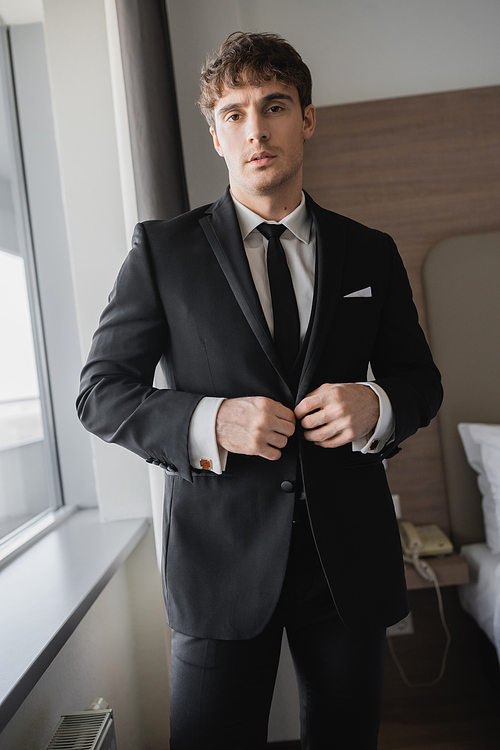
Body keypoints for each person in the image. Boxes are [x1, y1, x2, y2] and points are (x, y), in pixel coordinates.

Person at [77, 31, 442, 750]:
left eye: (274, 107)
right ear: (215, 134)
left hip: (349, 564)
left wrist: (378, 406)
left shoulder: (371, 251)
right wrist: (210, 422)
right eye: (235, 114)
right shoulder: (161, 252)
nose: (256, 129)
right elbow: (100, 393)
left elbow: (419, 381)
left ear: (306, 118)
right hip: (220, 563)